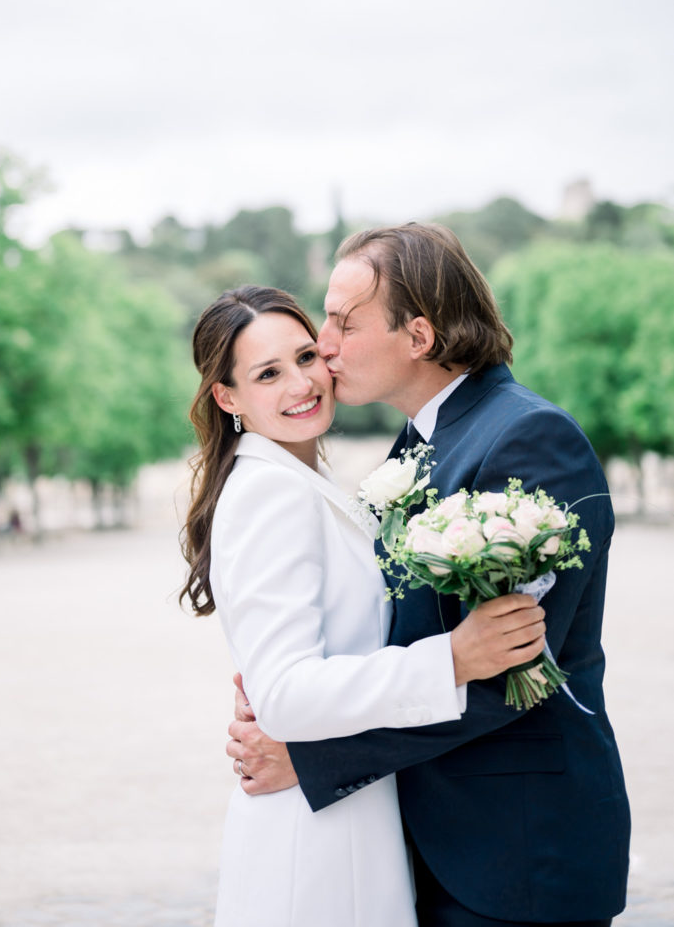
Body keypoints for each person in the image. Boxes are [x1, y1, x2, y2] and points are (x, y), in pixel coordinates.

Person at [227, 226, 631, 927]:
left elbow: (513, 672)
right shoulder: (418, 440)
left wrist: (315, 757)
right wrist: (290, 685)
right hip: (429, 841)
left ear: (417, 336)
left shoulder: (529, 439)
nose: (323, 344)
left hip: (518, 851)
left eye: (343, 323)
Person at [180, 284, 547, 927]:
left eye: (304, 356)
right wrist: (452, 660)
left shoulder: (302, 481)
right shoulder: (271, 492)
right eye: (268, 373)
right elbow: (288, 693)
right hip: (319, 839)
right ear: (227, 397)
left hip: (349, 812)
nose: (301, 384)